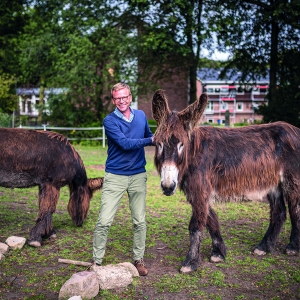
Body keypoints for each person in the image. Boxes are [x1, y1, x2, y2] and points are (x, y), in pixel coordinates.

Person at [92, 82, 154, 276]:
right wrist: (151, 140)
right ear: (113, 100)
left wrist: (156, 138)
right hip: (115, 176)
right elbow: (125, 144)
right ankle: (96, 261)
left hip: (138, 175)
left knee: (139, 221)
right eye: (117, 98)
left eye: (124, 97)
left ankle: (139, 259)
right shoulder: (109, 121)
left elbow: (149, 135)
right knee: (104, 221)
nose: (121, 101)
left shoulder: (142, 116)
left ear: (130, 97)